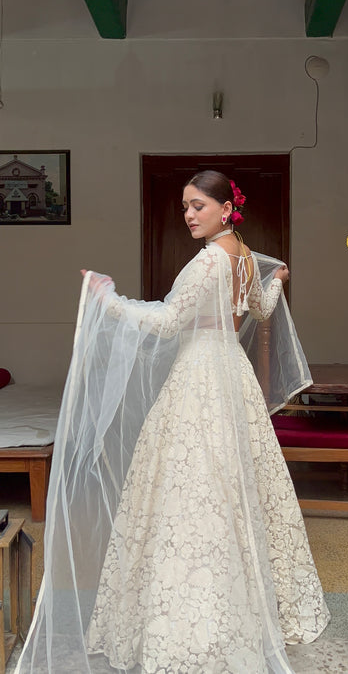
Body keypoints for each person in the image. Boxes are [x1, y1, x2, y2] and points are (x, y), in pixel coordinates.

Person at [17, 171, 329, 674]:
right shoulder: (244, 256)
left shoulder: (210, 261)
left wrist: (107, 301)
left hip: (201, 376)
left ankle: (199, 618)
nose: (188, 215)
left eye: (198, 206)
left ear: (227, 208)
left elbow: (166, 322)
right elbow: (261, 309)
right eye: (184, 206)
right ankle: (250, 602)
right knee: (232, 487)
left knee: (188, 490)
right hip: (232, 375)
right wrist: (277, 279)